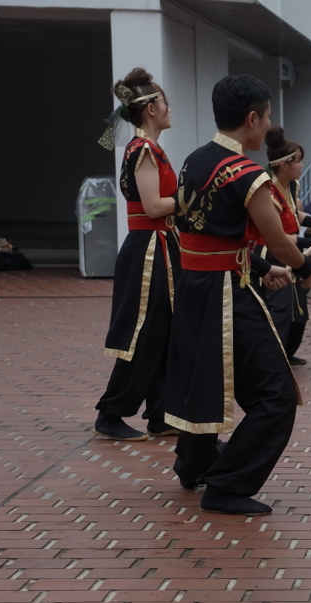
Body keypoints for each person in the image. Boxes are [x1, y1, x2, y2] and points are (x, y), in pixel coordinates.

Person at [165, 74, 311, 516]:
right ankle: (228, 485)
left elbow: (205, 238)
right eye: (267, 116)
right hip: (226, 295)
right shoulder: (245, 173)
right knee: (276, 396)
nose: (268, 124)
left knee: (204, 381)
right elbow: (279, 240)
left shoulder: (192, 161)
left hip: (195, 289)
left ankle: (194, 465)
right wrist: (306, 269)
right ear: (251, 118)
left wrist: (258, 267)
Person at [94, 68, 180, 442]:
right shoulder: (143, 149)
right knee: (144, 333)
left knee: (166, 330)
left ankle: (161, 413)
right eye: (164, 101)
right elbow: (154, 206)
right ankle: (111, 412)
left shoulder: (149, 148)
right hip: (149, 250)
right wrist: (192, 195)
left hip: (159, 247)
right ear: (149, 109)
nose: (168, 107)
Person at [251, 127, 311, 366]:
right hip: (273, 253)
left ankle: (288, 351)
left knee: (299, 311)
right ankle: (272, 357)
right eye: (298, 161)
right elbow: (278, 236)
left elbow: (294, 214)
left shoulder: (291, 186)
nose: (302, 166)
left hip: (290, 250)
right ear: (283, 165)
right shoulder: (267, 191)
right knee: (280, 310)